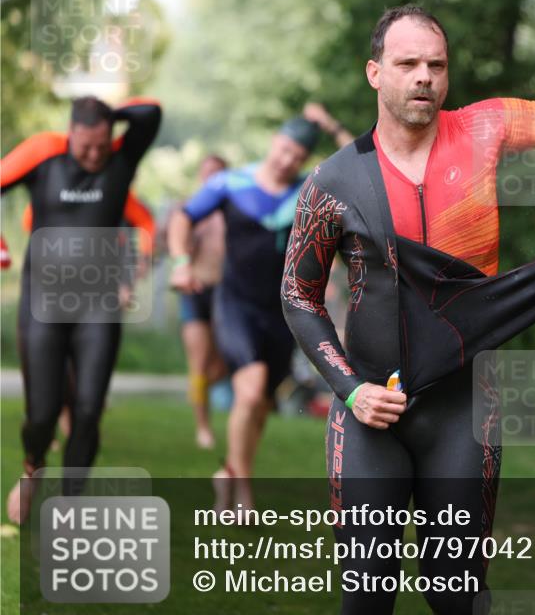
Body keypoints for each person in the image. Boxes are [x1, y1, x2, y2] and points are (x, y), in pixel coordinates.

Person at [280, 6, 535, 615]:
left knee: (454, 594)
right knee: (366, 594)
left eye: (436, 64)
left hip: (464, 402)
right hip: (370, 405)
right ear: (375, 73)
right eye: (407, 64)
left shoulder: (484, 131)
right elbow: (298, 293)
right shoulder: (333, 183)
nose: (424, 76)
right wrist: (349, 388)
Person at [168, 103, 353, 511]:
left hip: (284, 312)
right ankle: (240, 489)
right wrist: (181, 263)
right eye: (284, 149)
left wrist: (330, 123)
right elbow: (182, 216)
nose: (288, 160)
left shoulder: (308, 190)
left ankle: (233, 475)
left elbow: (360, 159)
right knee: (249, 391)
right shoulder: (231, 183)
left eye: (298, 156)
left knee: (261, 403)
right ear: (274, 142)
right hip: (235, 304)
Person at [2, 95, 161, 524]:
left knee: (88, 410)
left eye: (101, 144)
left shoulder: (120, 162)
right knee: (42, 413)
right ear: (69, 132)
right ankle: (33, 466)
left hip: (99, 306)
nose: (93, 155)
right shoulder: (44, 156)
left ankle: (69, 507)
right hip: (43, 307)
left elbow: (151, 113)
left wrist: (111, 116)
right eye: (84, 145)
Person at [173, 154, 229, 449]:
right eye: (206, 172)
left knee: (223, 365)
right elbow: (171, 243)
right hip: (195, 292)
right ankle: (203, 428)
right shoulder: (191, 211)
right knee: (198, 364)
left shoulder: (233, 210)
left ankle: (200, 389)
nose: (211, 178)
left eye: (217, 173)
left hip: (226, 294)